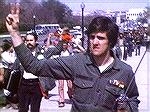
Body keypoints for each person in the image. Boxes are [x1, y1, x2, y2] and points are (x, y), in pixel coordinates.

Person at [6, 3, 140, 112]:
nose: (94, 42)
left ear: (110, 42)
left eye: (100, 38)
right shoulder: (76, 62)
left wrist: (127, 108)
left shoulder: (125, 71)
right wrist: (15, 33)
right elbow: (34, 66)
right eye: (92, 37)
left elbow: (133, 99)